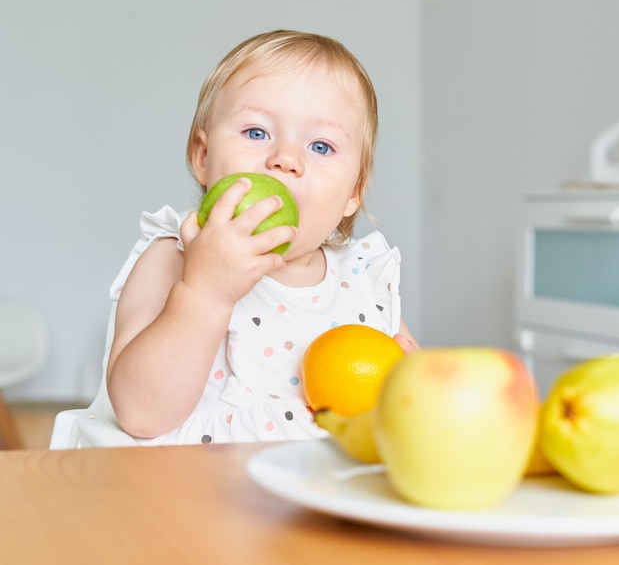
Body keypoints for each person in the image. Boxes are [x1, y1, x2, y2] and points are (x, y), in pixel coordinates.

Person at [106, 29, 418, 445]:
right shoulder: (174, 259)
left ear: (353, 193)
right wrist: (205, 292)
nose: (285, 159)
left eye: (321, 146)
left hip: (330, 494)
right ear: (203, 158)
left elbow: (412, 402)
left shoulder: (366, 277)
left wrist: (413, 389)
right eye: (257, 133)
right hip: (200, 494)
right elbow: (140, 414)